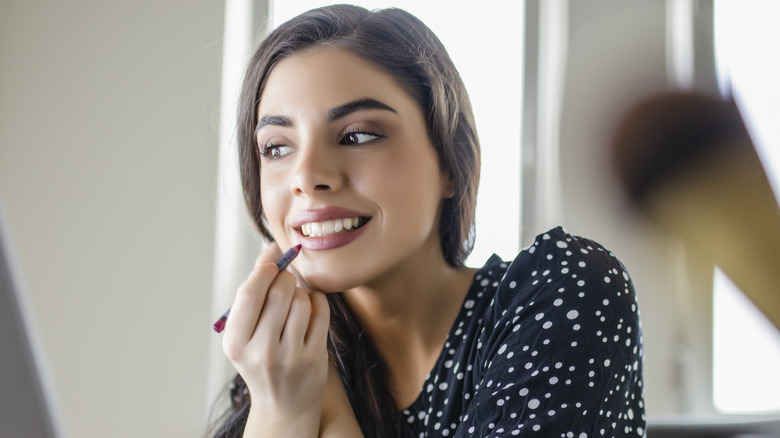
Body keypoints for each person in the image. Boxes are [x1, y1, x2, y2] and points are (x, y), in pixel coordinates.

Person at [208, 4, 645, 437]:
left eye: (358, 135)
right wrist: (280, 412)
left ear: (449, 166)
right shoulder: (279, 367)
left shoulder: (566, 293)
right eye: (277, 148)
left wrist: (325, 412)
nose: (307, 176)